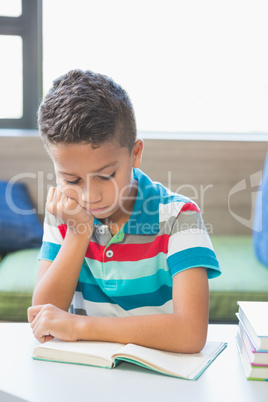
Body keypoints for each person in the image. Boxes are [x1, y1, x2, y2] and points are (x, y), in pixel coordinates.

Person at [28, 69, 221, 353]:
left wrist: (79, 327)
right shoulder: (65, 216)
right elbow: (42, 320)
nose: (90, 195)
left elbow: (191, 334)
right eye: (72, 179)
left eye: (106, 175)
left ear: (136, 153)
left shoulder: (180, 217)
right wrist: (78, 234)